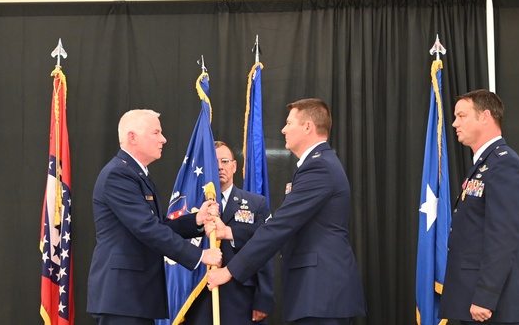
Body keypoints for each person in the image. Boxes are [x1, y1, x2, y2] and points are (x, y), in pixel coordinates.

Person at [207, 98, 366, 325]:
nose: (283, 129)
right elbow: (284, 225)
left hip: (321, 292)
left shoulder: (319, 167)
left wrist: (229, 271)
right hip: (316, 293)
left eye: (289, 123)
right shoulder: (315, 165)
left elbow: (281, 225)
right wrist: (231, 234)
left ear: (308, 127)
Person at [87, 109, 222, 325]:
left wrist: (196, 220)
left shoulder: (138, 174)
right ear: (133, 137)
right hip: (123, 295)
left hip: (136, 295)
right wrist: (199, 256)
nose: (164, 139)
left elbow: (158, 225)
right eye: (156, 133)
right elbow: (147, 228)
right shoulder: (118, 175)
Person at [439, 89, 519, 325]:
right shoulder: (484, 165)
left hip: (494, 308)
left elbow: (504, 237)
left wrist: (486, 296)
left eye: (462, 116)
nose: (455, 123)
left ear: (485, 116)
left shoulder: (504, 164)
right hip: (472, 299)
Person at [183, 141, 275, 325]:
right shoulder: (190, 205)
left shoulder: (256, 204)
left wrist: (264, 298)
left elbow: (266, 252)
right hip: (198, 299)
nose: (219, 166)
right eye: (213, 161)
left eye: (224, 161)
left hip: (241, 299)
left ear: (234, 166)